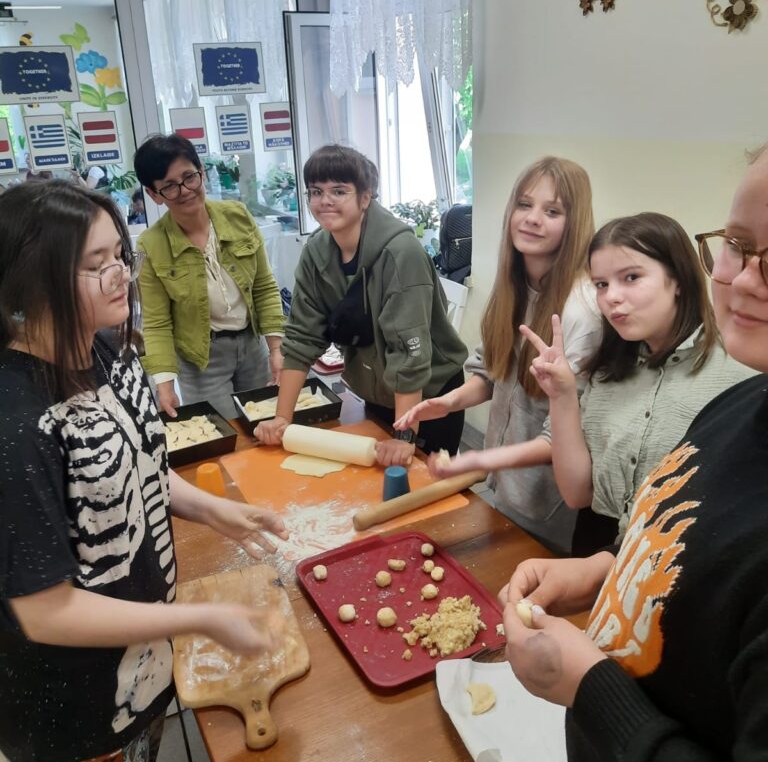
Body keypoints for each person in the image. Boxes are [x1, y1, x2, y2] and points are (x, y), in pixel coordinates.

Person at [0, 180, 287, 762]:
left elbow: (140, 468)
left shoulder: (107, 350)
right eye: (95, 264)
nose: (121, 275)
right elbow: (45, 611)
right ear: (31, 281)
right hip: (75, 715)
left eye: (119, 255)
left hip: (145, 665)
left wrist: (213, 509)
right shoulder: (16, 425)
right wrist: (202, 618)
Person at [500, 146, 768, 762]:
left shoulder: (727, 376)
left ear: (676, 278)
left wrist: (591, 687)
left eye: (632, 277)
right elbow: (693, 553)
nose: (741, 278)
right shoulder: (738, 409)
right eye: (737, 245)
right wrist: (609, 570)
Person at [396, 156, 601, 552]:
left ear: (574, 223)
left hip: (549, 505)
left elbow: (560, 437)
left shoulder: (581, 313)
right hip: (503, 487)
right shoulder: (515, 286)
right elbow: (492, 372)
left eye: (552, 211)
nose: (533, 219)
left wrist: (478, 461)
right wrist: (449, 402)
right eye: (524, 205)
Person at [518, 213, 753, 554]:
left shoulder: (738, 373)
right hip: (593, 549)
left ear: (678, 280)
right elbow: (577, 494)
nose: (611, 297)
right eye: (601, 284)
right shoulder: (608, 369)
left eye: (631, 277)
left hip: (681, 559)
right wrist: (562, 396)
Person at [255, 144, 468, 465]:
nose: (325, 200)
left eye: (339, 191)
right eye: (316, 191)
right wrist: (282, 419)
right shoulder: (316, 251)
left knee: (421, 485)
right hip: (377, 388)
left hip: (428, 398)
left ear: (366, 197)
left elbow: (408, 354)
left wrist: (405, 437)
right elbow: (301, 338)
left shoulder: (401, 254)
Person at [135, 134, 285, 419]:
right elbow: (157, 322)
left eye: (189, 177)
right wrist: (164, 384)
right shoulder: (151, 245)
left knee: (266, 423)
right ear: (154, 194)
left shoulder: (238, 216)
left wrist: (276, 348)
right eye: (169, 186)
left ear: (201, 173)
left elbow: (264, 287)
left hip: (252, 346)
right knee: (224, 431)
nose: (185, 191)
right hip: (202, 360)